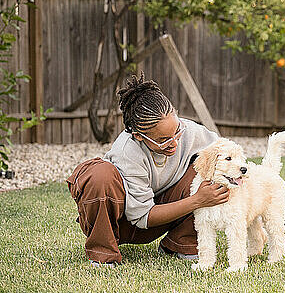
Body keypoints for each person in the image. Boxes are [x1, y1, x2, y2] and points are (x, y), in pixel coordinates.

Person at [66, 73, 229, 267]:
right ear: (139, 135)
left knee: (208, 165)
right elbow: (142, 217)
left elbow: (225, 150)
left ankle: (179, 243)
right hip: (123, 222)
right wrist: (197, 200)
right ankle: (103, 254)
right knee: (100, 176)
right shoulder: (127, 152)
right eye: (162, 140)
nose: (174, 142)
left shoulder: (189, 131)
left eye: (176, 132)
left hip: (163, 216)